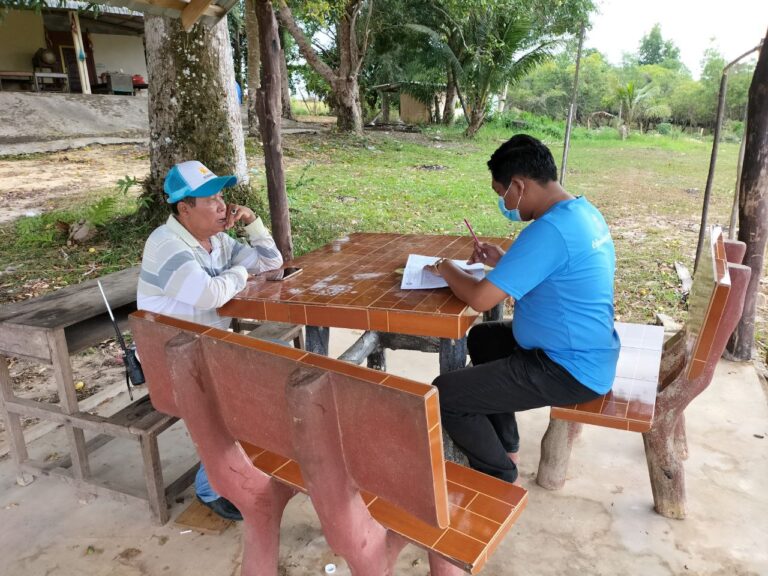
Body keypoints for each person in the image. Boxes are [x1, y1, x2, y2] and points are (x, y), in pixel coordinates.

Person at [425, 134, 620, 485]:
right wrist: (505, 261)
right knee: (483, 339)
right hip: (588, 349)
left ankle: (498, 476)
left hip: (569, 368)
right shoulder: (581, 213)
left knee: (444, 394)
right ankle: (506, 444)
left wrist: (446, 268)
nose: (504, 203)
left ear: (519, 185)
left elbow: (481, 299)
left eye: (502, 194)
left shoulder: (549, 230)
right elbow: (554, 272)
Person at [137, 160, 283, 519]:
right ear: (184, 209)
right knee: (247, 395)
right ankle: (210, 486)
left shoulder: (217, 241)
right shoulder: (166, 243)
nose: (222, 206)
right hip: (169, 360)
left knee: (267, 382)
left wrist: (252, 223)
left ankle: (233, 469)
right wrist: (240, 272)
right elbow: (208, 295)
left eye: (221, 197)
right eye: (210, 200)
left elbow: (271, 265)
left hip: (204, 351)